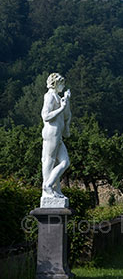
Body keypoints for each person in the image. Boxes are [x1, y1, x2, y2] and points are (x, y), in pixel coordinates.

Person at [40, 73, 71, 205]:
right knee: (49, 161)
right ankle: (48, 188)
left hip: (58, 135)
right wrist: (62, 108)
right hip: (51, 133)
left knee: (64, 162)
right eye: (61, 83)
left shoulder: (58, 97)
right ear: (55, 83)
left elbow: (66, 116)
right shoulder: (49, 96)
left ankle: (53, 187)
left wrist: (66, 102)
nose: (63, 86)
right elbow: (45, 116)